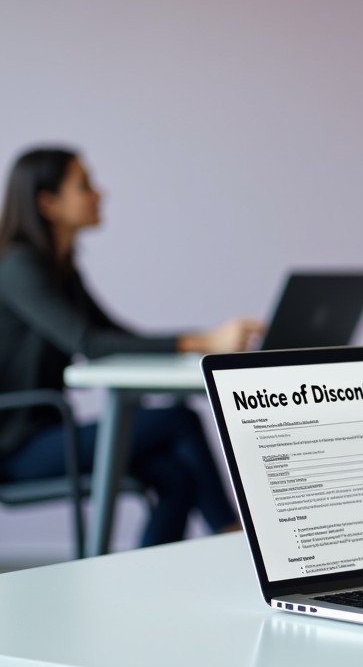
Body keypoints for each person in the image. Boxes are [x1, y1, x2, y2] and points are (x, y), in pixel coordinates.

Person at [0, 146, 264, 547]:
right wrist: (203, 341)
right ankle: (231, 537)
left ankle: (142, 586)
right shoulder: (19, 268)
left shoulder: (62, 270)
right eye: (84, 186)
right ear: (47, 203)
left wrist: (204, 342)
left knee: (176, 475)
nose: (99, 194)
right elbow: (90, 343)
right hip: (17, 448)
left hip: (51, 431)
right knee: (180, 421)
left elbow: (118, 337)